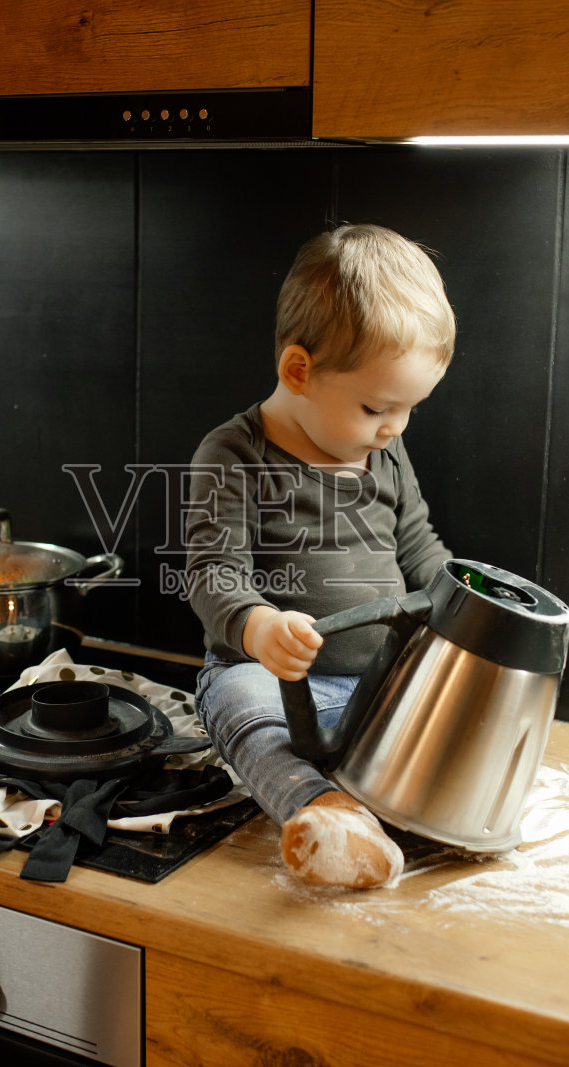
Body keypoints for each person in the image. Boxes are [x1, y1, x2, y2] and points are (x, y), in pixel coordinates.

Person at [185, 223, 456, 889]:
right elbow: (212, 572)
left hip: (379, 680)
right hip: (274, 680)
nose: (395, 427)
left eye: (409, 409)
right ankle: (328, 816)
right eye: (376, 407)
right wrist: (259, 626)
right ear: (298, 371)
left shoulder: (384, 448)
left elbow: (419, 547)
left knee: (442, 718)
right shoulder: (234, 453)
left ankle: (427, 814)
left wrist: (467, 607)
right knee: (243, 712)